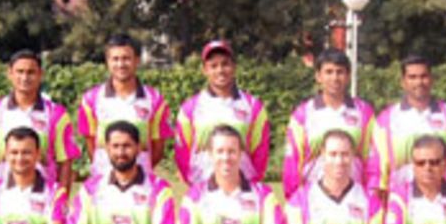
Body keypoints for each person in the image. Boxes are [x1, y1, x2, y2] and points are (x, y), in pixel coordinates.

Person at [367, 55, 446, 200]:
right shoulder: (387, 119)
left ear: (431, 79)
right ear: (403, 82)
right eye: (412, 77)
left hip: (440, 200)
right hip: (399, 201)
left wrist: (441, 174)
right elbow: (377, 166)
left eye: (423, 76)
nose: (419, 82)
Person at [77, 33, 175, 181]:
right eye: (115, 59)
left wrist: (136, 169)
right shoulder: (91, 99)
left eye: (126, 58)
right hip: (103, 182)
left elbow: (158, 148)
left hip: (141, 184)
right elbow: (91, 144)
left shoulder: (155, 99)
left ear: (137, 60)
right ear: (107, 62)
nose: (121, 64)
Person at [0, 49, 79, 188]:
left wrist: (61, 200)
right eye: (20, 71)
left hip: (43, 198)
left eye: (31, 72)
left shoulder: (56, 114)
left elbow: (65, 162)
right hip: (4, 196)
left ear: (40, 75)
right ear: (10, 74)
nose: (25, 77)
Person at [282, 49, 376, 199]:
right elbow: (292, 161)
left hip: (354, 200)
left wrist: (371, 195)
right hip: (314, 200)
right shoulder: (303, 114)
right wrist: (294, 198)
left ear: (348, 76)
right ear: (318, 76)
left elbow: (373, 160)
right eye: (329, 72)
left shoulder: (364, 112)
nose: (335, 78)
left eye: (340, 72)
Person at [174, 40, 270, 186]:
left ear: (233, 67)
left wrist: (252, 183)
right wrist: (192, 183)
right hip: (202, 187)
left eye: (225, 64)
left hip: (242, 188)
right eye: (213, 66)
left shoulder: (253, 107)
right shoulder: (190, 108)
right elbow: (182, 151)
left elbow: (260, 150)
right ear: (205, 70)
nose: (220, 70)